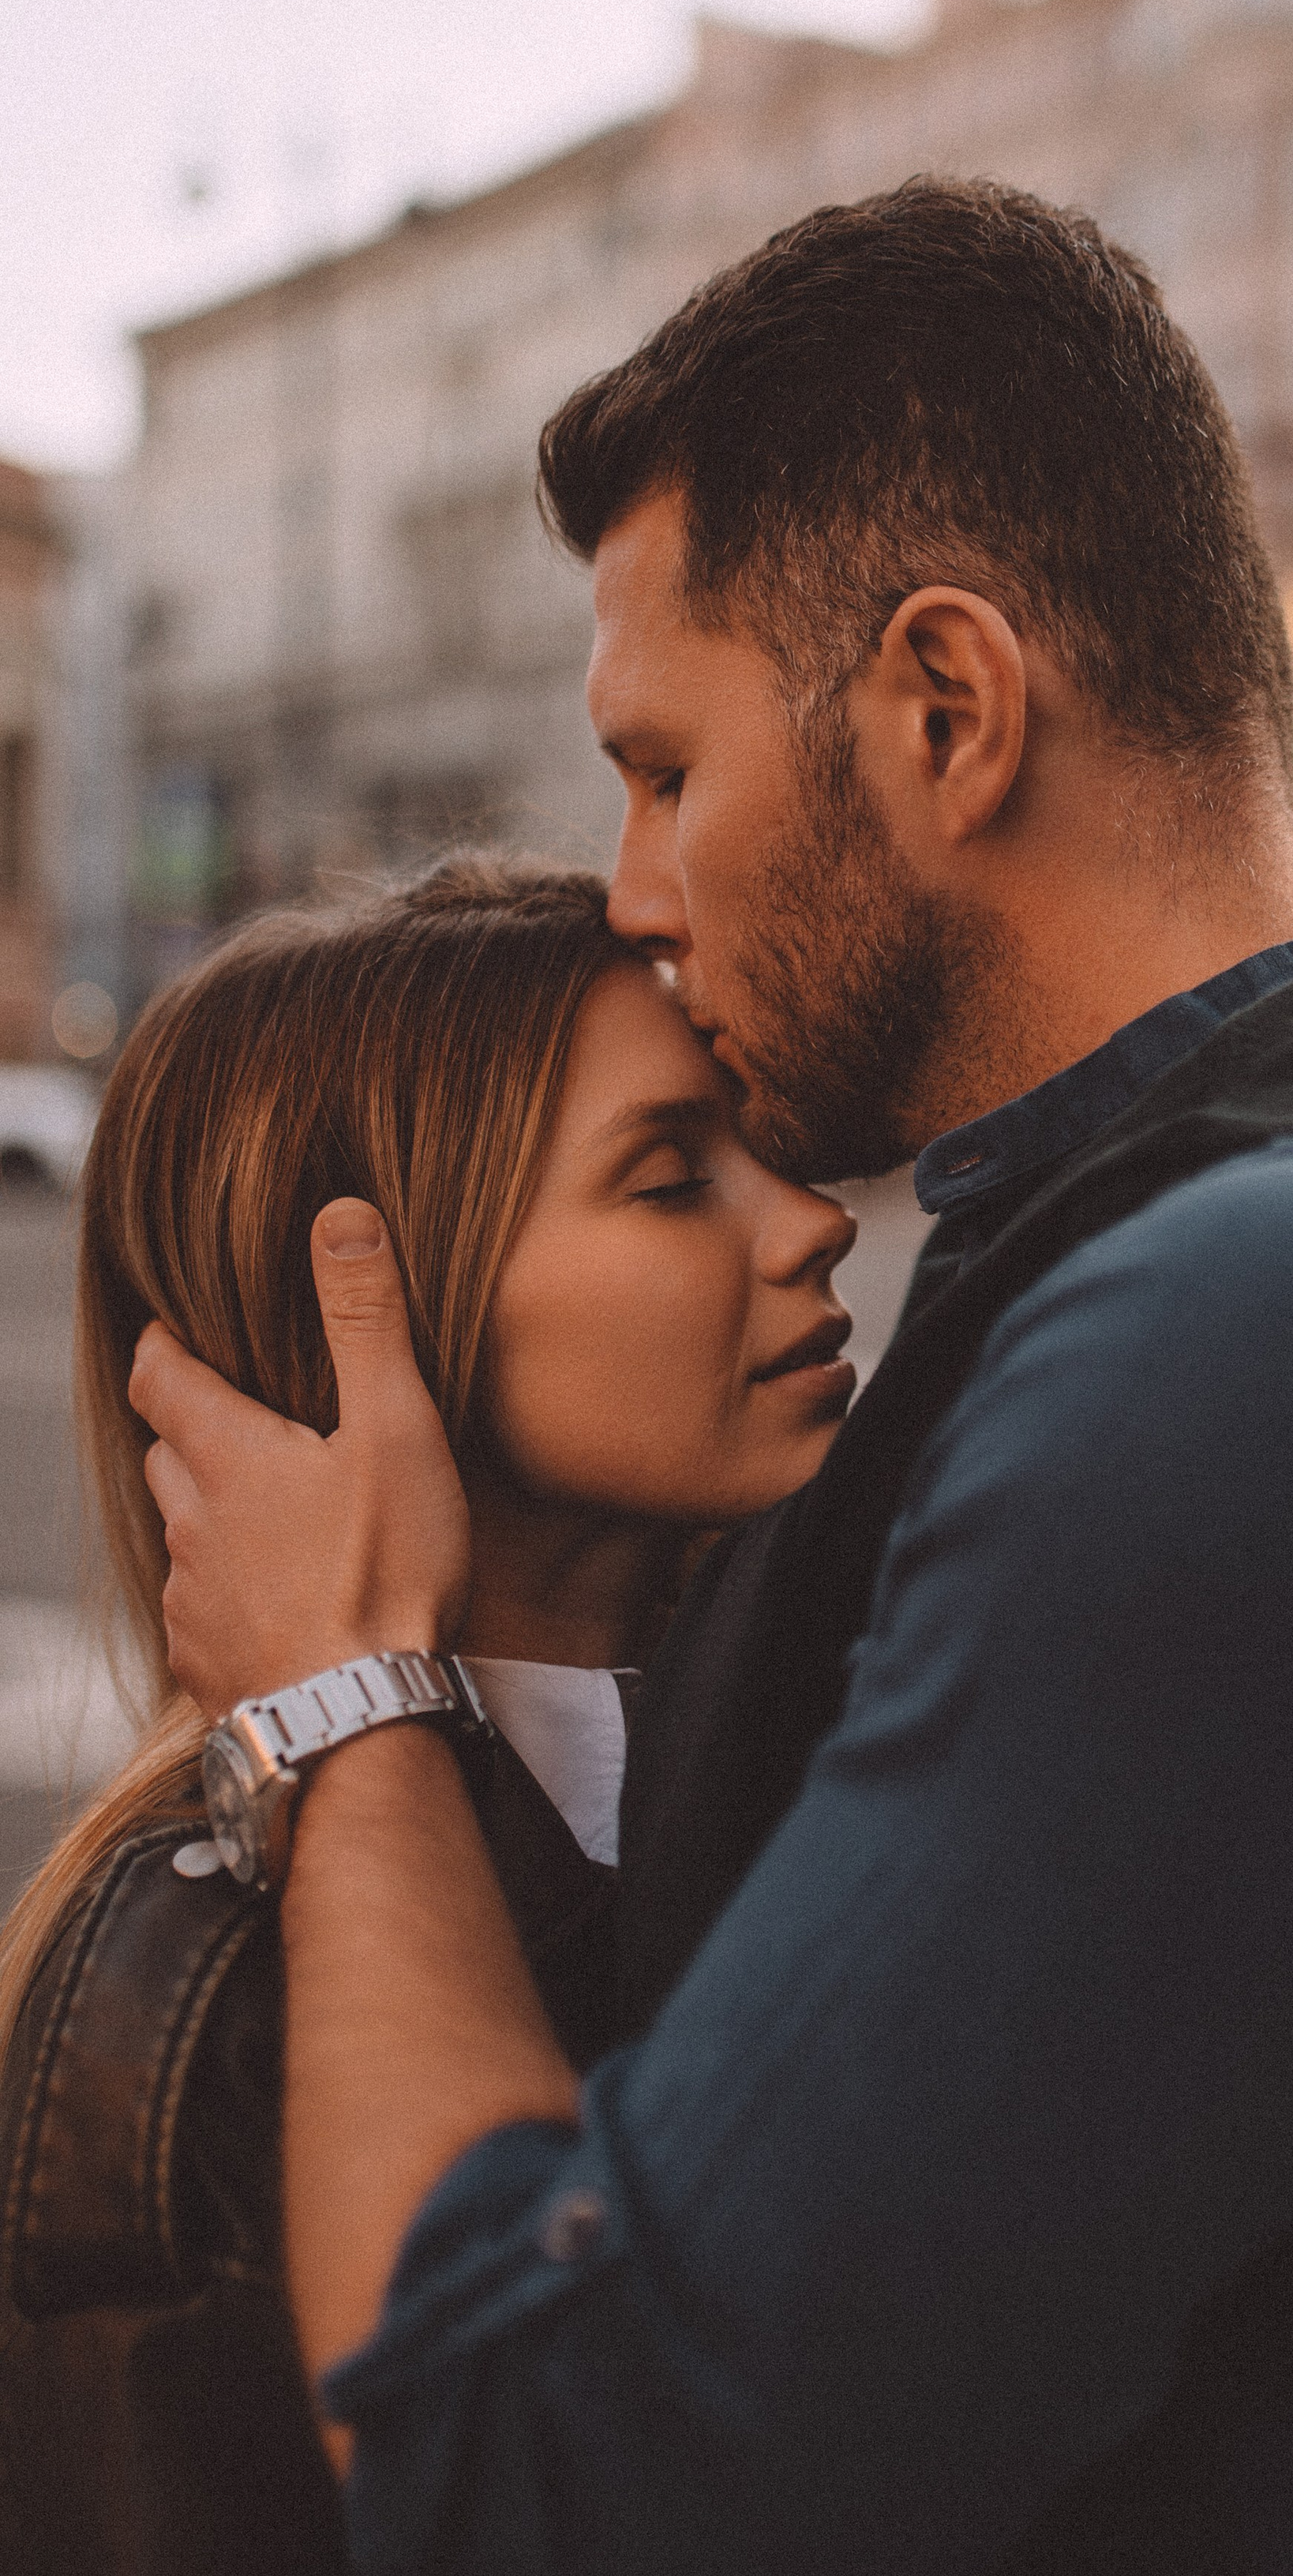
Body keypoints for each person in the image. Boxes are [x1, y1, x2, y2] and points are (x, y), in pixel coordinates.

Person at [137, 180, 1293, 2575]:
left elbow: (557, 2486)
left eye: (666, 768)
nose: (637, 889)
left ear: (946, 708)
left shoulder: (1277, 1335)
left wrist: (351, 1712)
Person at [0, 858, 857, 2574]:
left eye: (757, 1136)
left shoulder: (826, 1738)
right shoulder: (193, 2003)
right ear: (389, 1320)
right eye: (671, 1175)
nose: (811, 1216)